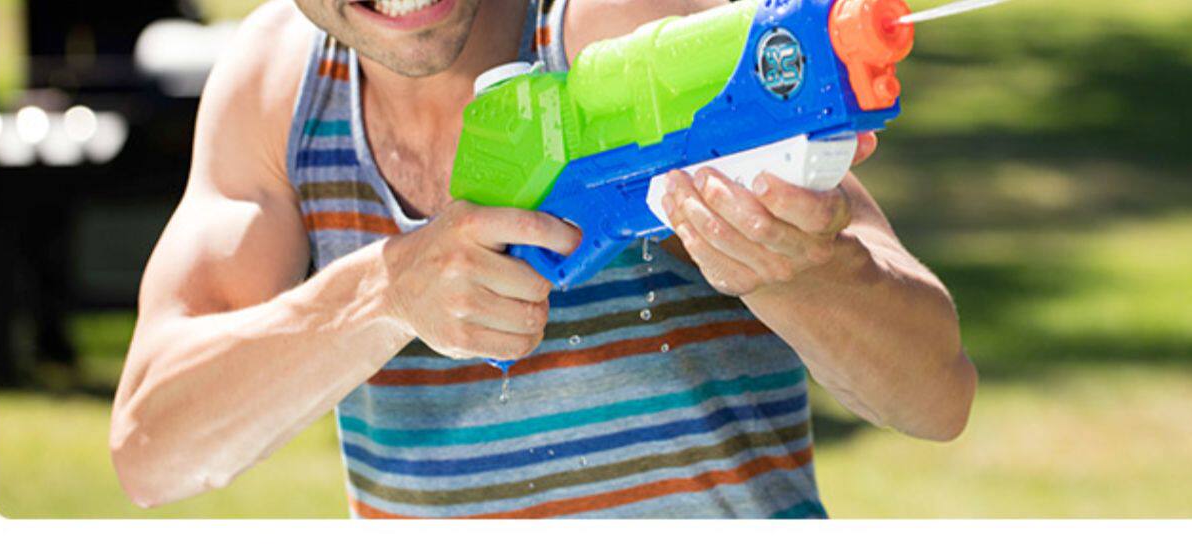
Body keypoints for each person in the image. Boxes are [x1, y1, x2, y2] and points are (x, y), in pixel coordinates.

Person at [109, 0, 977, 519]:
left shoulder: (630, 27)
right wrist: (385, 290)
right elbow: (152, 448)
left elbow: (936, 393)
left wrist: (808, 270)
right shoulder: (275, 90)